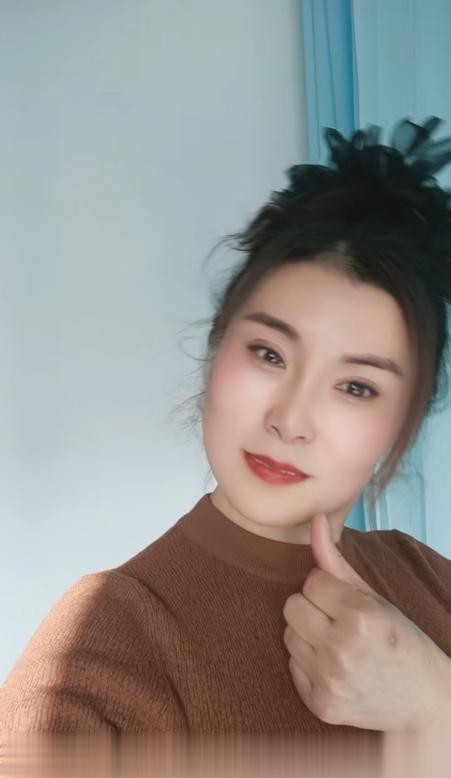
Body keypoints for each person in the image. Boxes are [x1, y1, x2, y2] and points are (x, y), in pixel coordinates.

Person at [1, 117, 451, 739]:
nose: (290, 420)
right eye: (269, 354)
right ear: (217, 348)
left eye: (356, 386)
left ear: (403, 419)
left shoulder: (428, 578)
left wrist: (432, 703)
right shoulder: (104, 645)